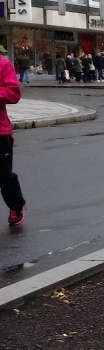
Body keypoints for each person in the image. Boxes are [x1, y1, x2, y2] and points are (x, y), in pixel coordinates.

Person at [0, 53, 26, 226]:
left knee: (3, 175)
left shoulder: (3, 64)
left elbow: (13, 93)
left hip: (0, 131)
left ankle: (16, 205)